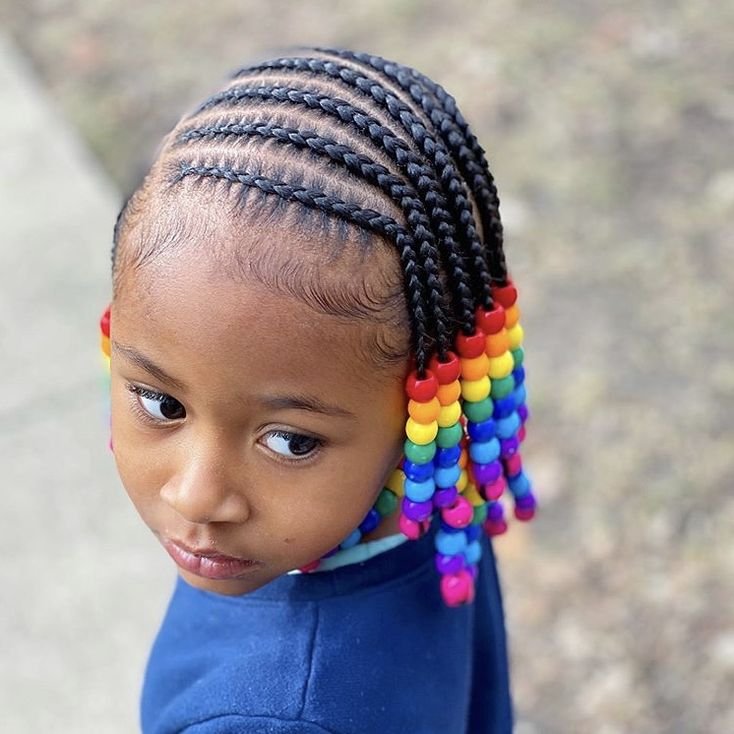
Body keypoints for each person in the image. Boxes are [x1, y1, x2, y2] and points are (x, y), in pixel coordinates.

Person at [100, 47, 536, 734]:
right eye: (163, 404)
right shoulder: (437, 495)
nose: (197, 494)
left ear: (424, 405)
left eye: (291, 441)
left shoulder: (271, 718)